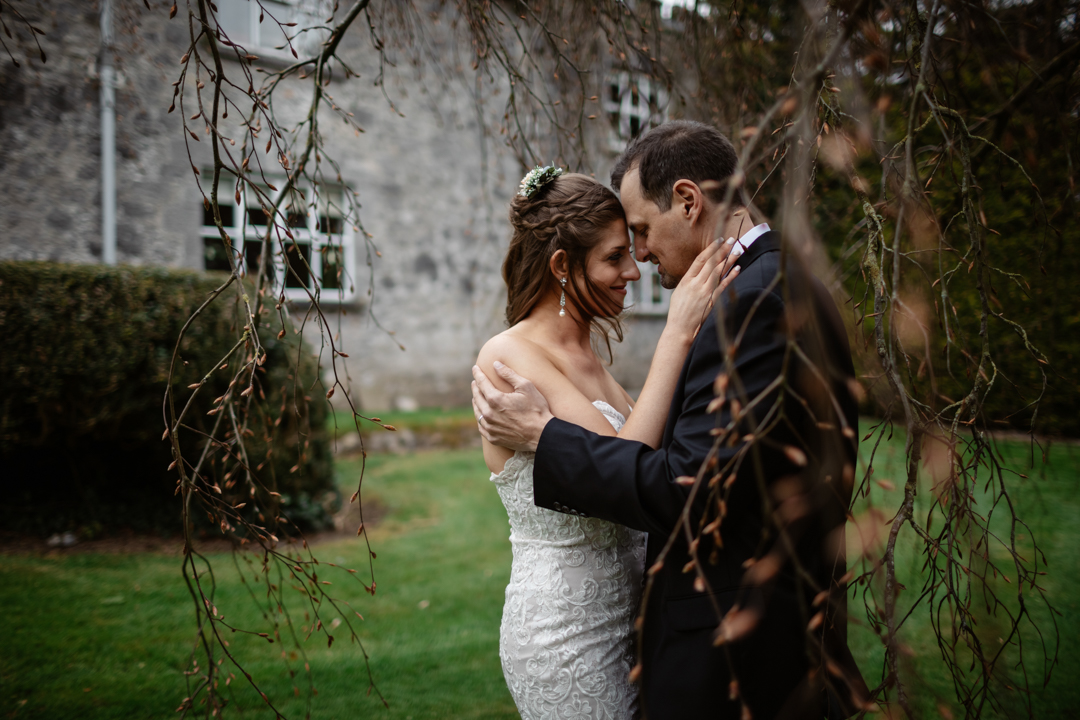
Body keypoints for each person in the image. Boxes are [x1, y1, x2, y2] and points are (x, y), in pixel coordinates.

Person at [473, 122, 869, 720]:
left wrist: (544, 436)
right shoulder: (780, 284)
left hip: (743, 646)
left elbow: (685, 485)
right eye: (619, 249)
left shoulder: (754, 302)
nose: (639, 257)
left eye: (640, 232)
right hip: (589, 633)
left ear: (688, 202)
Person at [477, 166, 740, 720]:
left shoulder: (590, 360)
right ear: (561, 266)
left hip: (634, 626)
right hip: (566, 637)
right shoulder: (507, 357)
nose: (632, 271)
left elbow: (653, 464)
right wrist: (677, 332)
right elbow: (626, 467)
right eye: (615, 257)